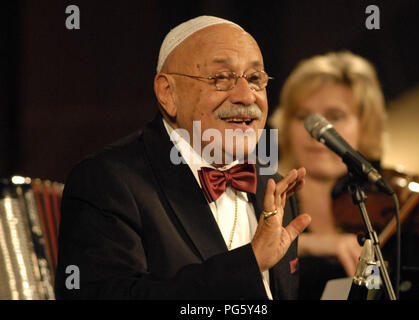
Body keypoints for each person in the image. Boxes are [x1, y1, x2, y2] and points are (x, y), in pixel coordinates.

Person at [55, 15, 311, 300]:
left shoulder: (271, 186)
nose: (246, 96)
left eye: (254, 79)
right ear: (168, 93)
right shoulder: (107, 182)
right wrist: (249, 263)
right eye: (221, 78)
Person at [270, 51, 388, 298]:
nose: (317, 132)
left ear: (365, 125)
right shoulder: (265, 197)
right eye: (304, 117)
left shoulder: (389, 208)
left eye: (335, 116)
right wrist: (317, 245)